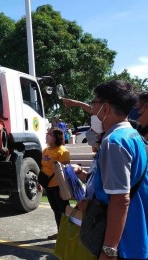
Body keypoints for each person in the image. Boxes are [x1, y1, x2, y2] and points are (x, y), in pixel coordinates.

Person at [81, 80, 148, 259]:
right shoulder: (133, 135)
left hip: (123, 244)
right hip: (135, 234)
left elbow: (120, 199)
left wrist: (109, 250)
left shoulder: (114, 142)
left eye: (94, 103)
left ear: (106, 107)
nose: (93, 110)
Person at [40, 127, 70, 240]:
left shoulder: (62, 151)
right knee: (56, 210)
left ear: (56, 137)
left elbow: (67, 172)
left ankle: (67, 235)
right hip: (48, 186)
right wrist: (40, 183)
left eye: (50, 134)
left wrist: (65, 190)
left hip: (59, 187)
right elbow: (43, 167)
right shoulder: (45, 150)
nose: (47, 136)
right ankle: (60, 233)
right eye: (47, 134)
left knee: (64, 211)